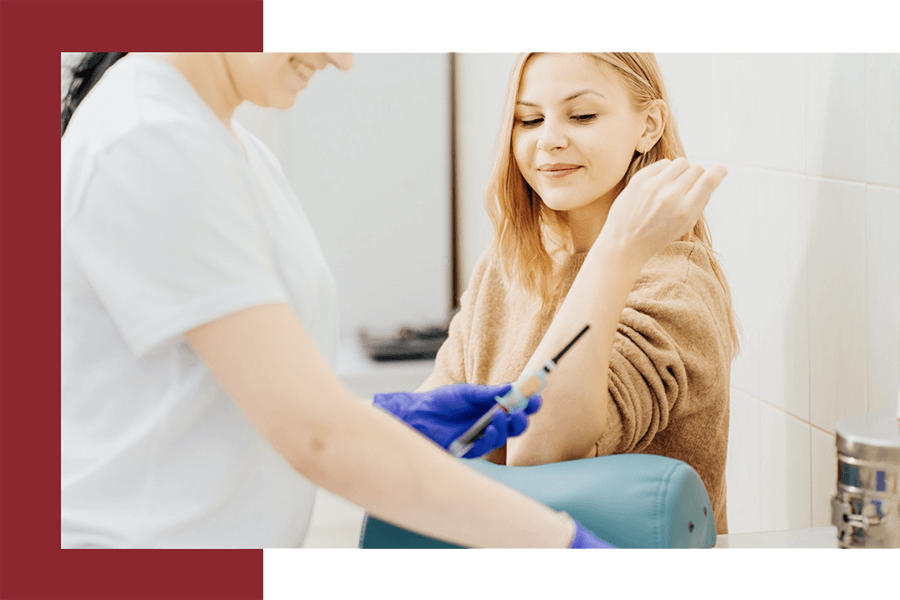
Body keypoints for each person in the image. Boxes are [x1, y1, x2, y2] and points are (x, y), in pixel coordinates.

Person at [61, 52, 634, 549]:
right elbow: (316, 436)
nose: (343, 61)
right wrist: (560, 541)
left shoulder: (230, 146)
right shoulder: (146, 139)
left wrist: (384, 425)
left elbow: (235, 393)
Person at [418, 52, 735, 534]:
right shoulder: (510, 263)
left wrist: (615, 251)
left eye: (582, 115)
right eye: (529, 119)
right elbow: (426, 435)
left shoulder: (678, 286)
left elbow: (538, 456)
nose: (549, 140)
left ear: (648, 126)